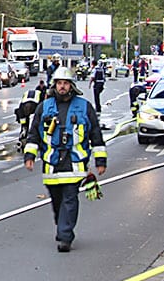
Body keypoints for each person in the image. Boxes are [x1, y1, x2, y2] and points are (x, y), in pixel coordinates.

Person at [23, 66, 107, 253]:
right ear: (55, 85)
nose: (62, 87)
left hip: (75, 163)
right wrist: (29, 156)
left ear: (72, 86)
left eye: (66, 83)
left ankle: (65, 236)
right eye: (59, 83)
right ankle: (62, 226)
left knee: (70, 200)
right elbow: (33, 134)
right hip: (51, 165)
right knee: (57, 201)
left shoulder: (84, 107)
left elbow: (96, 134)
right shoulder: (44, 108)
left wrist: (100, 161)